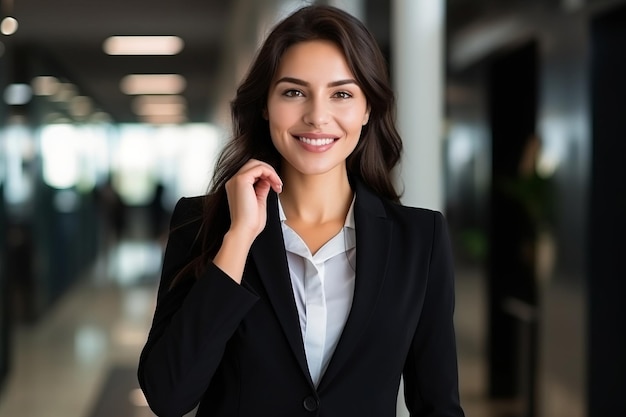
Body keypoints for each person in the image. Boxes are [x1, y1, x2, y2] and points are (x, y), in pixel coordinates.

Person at [138, 5, 465, 417]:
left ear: (367, 109)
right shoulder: (202, 223)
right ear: (265, 105)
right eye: (294, 92)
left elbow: (438, 406)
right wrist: (238, 239)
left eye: (341, 94)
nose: (316, 116)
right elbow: (168, 396)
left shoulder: (420, 240)